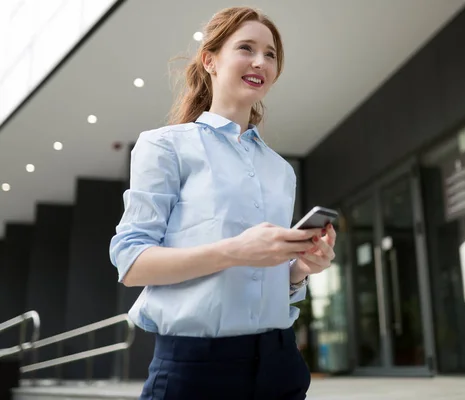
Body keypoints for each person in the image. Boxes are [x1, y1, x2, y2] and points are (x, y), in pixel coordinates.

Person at [109, 6, 336, 400]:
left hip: (279, 362)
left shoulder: (281, 170)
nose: (260, 61)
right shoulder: (165, 146)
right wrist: (235, 251)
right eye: (246, 48)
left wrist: (298, 270)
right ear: (210, 60)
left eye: (270, 54)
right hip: (195, 369)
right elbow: (131, 264)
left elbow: (265, 280)